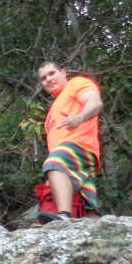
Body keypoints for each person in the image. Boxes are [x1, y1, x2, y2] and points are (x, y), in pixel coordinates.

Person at [35, 60, 103, 222]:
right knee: (85, 206)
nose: (48, 79)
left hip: (79, 146)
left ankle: (64, 216)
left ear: (63, 72)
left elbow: (95, 102)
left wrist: (79, 117)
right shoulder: (52, 111)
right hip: (71, 158)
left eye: (52, 74)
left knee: (54, 163)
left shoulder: (76, 83)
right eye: (44, 78)